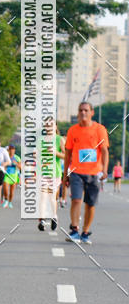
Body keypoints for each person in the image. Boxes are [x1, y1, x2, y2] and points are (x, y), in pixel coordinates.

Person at [63, 102, 109, 244]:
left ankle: (85, 232)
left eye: (86, 110)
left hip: (94, 172)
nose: (83, 112)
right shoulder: (73, 130)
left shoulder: (100, 129)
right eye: (80, 110)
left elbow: (104, 151)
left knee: (90, 204)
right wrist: (65, 174)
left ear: (91, 112)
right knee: (76, 200)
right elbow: (68, 153)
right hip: (76, 172)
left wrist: (105, 169)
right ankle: (74, 230)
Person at [37, 122, 64, 232]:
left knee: (52, 197)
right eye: (47, 125)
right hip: (43, 172)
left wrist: (55, 152)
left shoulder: (59, 139)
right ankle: (42, 220)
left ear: (55, 126)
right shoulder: (40, 140)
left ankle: (54, 217)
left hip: (55, 173)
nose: (49, 127)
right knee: (43, 196)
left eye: (51, 125)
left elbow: (66, 155)